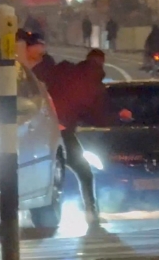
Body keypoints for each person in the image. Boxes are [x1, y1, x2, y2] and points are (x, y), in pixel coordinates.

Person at [16, 28, 101, 226]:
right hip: (33, 129)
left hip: (57, 128)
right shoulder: (18, 70)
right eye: (38, 44)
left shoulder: (48, 66)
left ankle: (91, 209)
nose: (42, 47)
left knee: (83, 169)